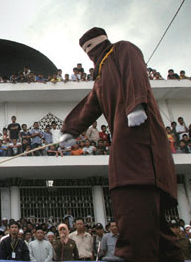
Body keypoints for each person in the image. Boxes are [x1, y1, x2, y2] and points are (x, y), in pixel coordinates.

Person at [59, 27, 182, 261]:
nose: (89, 53)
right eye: (86, 51)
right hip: (122, 138)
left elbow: (135, 73)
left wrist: (136, 104)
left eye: (91, 48)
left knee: (133, 191)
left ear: (101, 42)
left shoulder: (122, 50)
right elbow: (90, 106)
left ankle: (131, 254)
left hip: (140, 133)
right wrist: (71, 130)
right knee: (154, 226)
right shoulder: (101, 75)